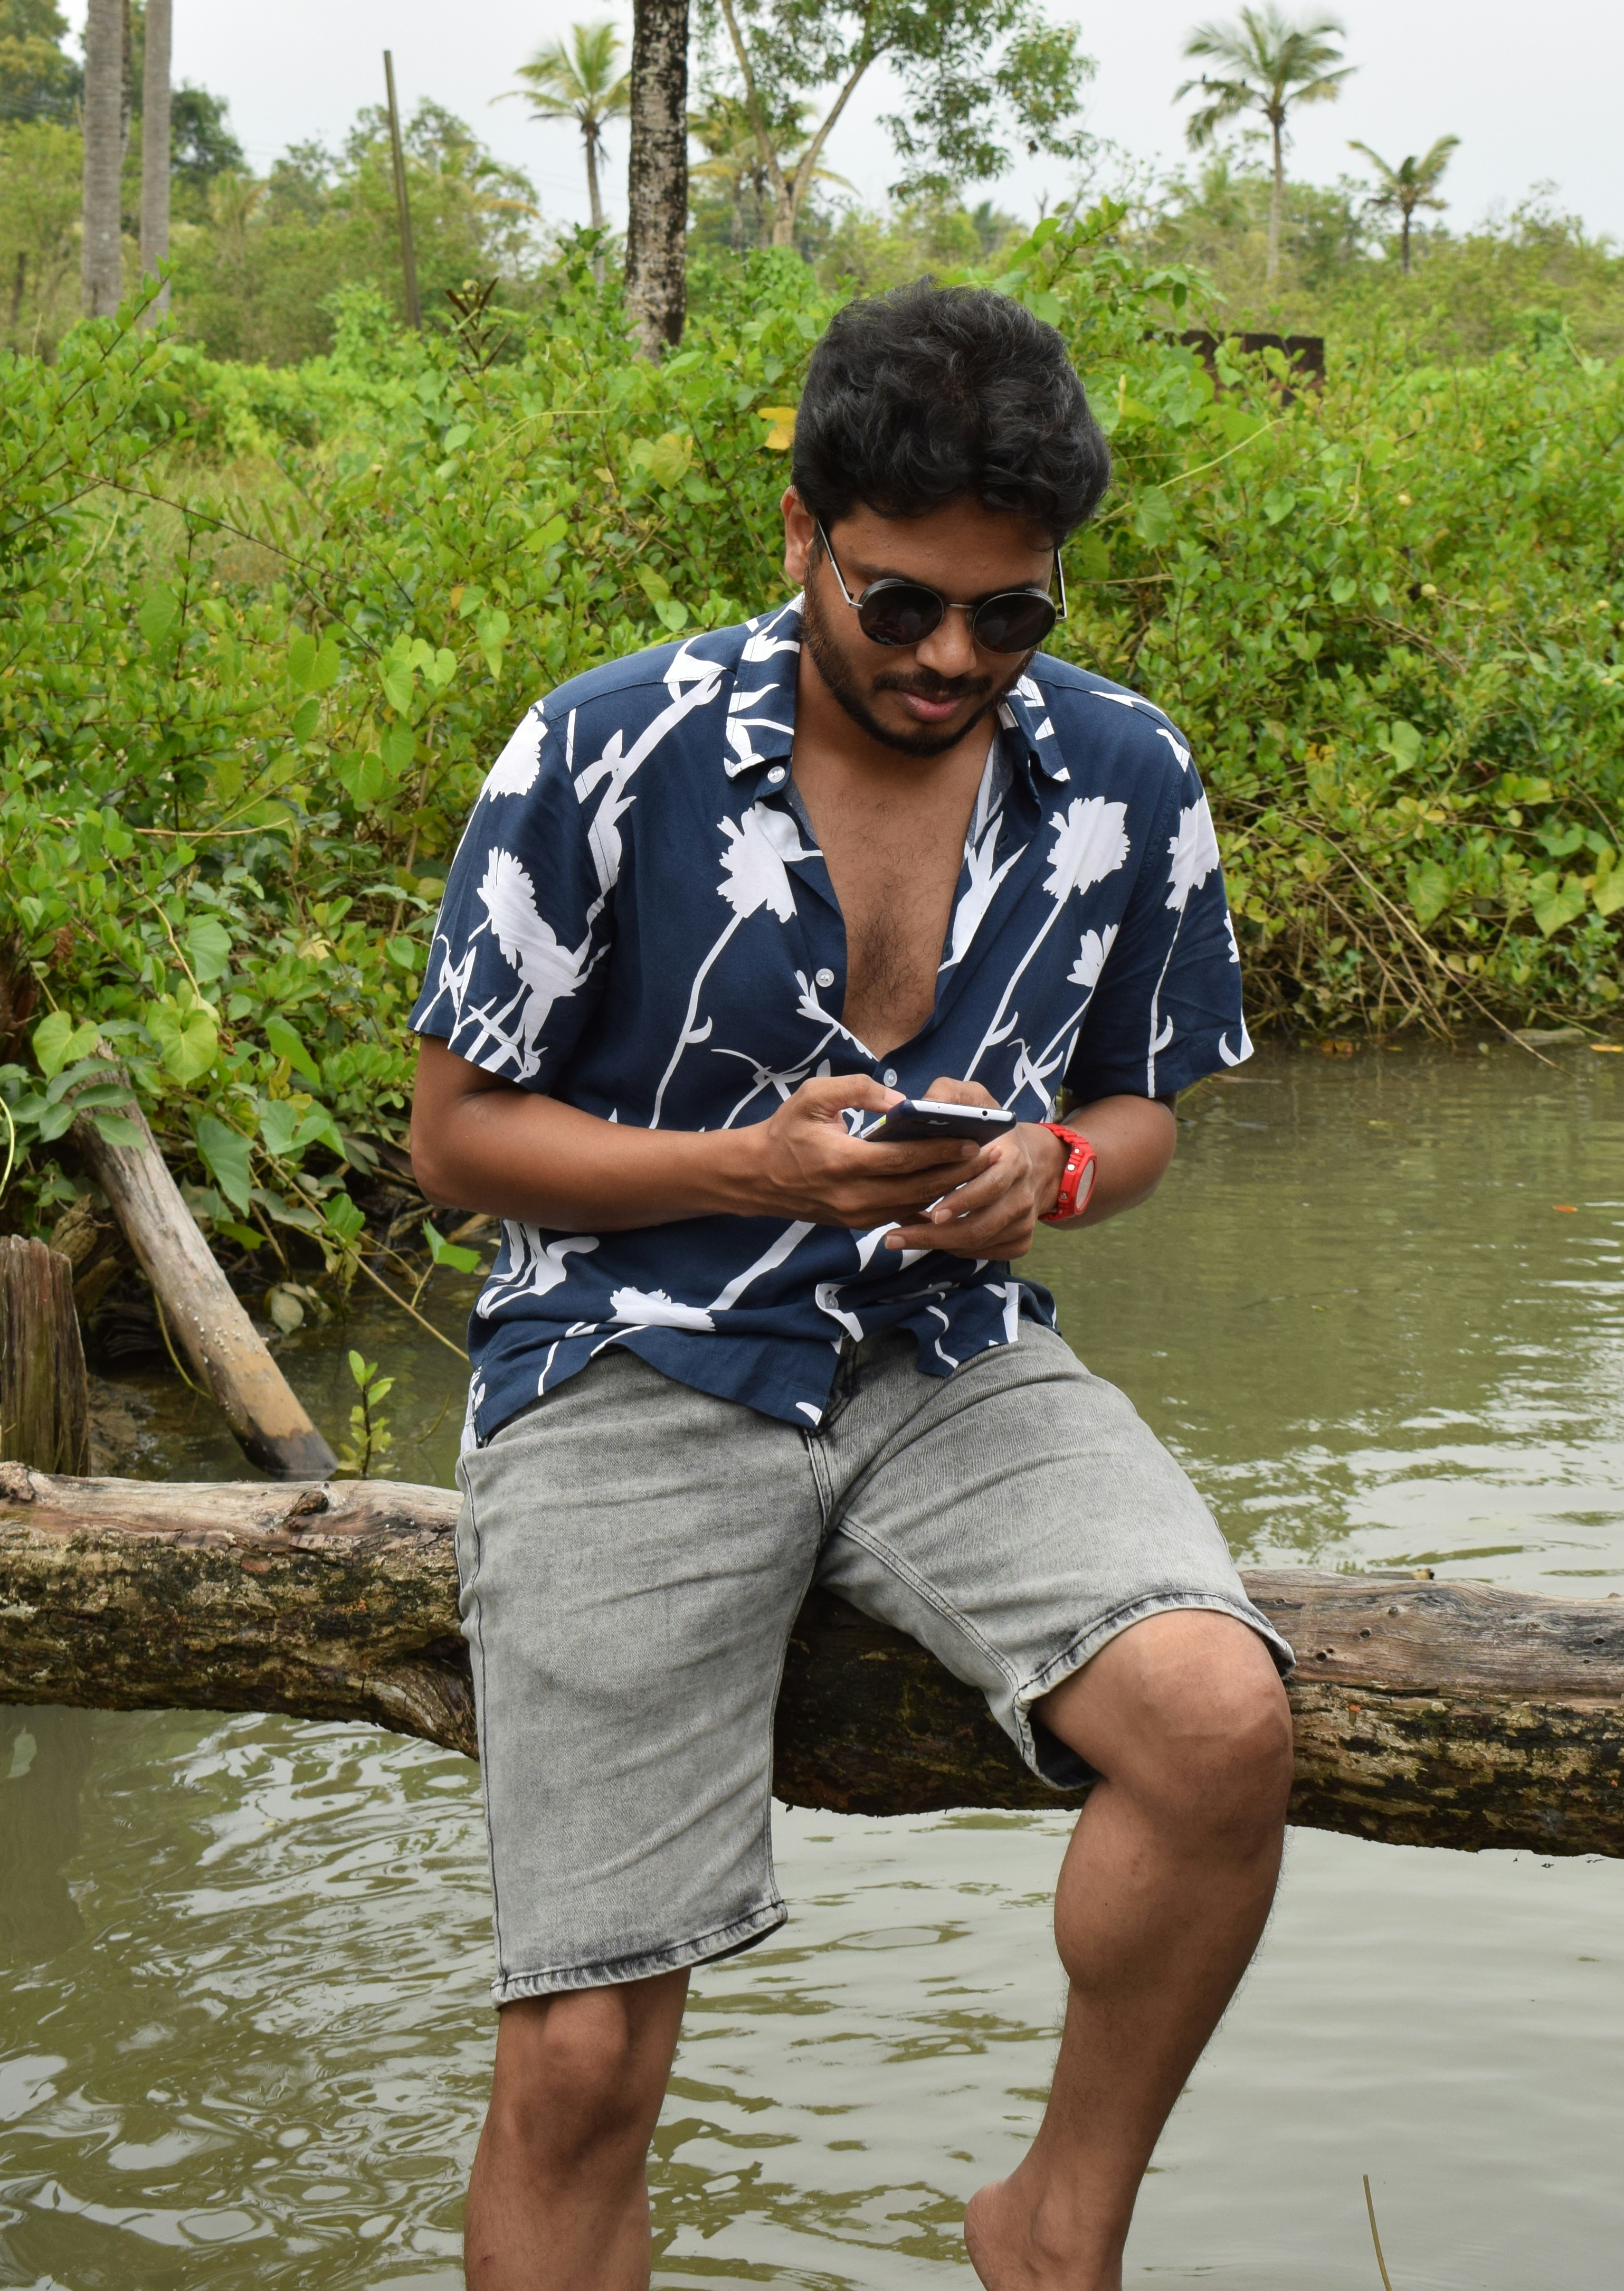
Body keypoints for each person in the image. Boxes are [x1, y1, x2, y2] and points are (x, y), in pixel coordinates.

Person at [408, 281, 1293, 2291]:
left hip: (952, 1354)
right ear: (801, 530)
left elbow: (1148, 1113)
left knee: (1222, 1721)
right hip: (628, 1358)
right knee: (580, 2059)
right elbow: (455, 1141)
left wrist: (1048, 1172)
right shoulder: (607, 745)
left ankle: (1055, 2229)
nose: (952, 657)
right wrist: (752, 1165)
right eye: (901, 605)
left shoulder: (1129, 775)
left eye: (1010, 616)